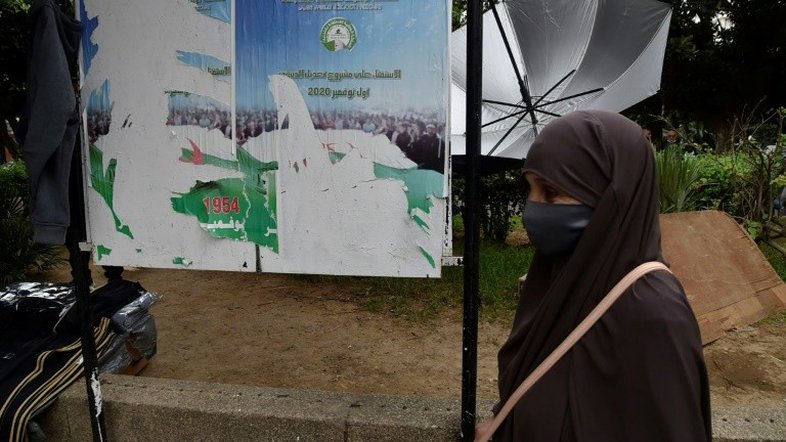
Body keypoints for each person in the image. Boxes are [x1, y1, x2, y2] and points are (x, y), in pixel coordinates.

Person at [477, 111, 711, 441]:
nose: (533, 209)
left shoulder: (654, 316)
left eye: (550, 192)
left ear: (609, 198)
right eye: (530, 190)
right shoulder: (562, 277)